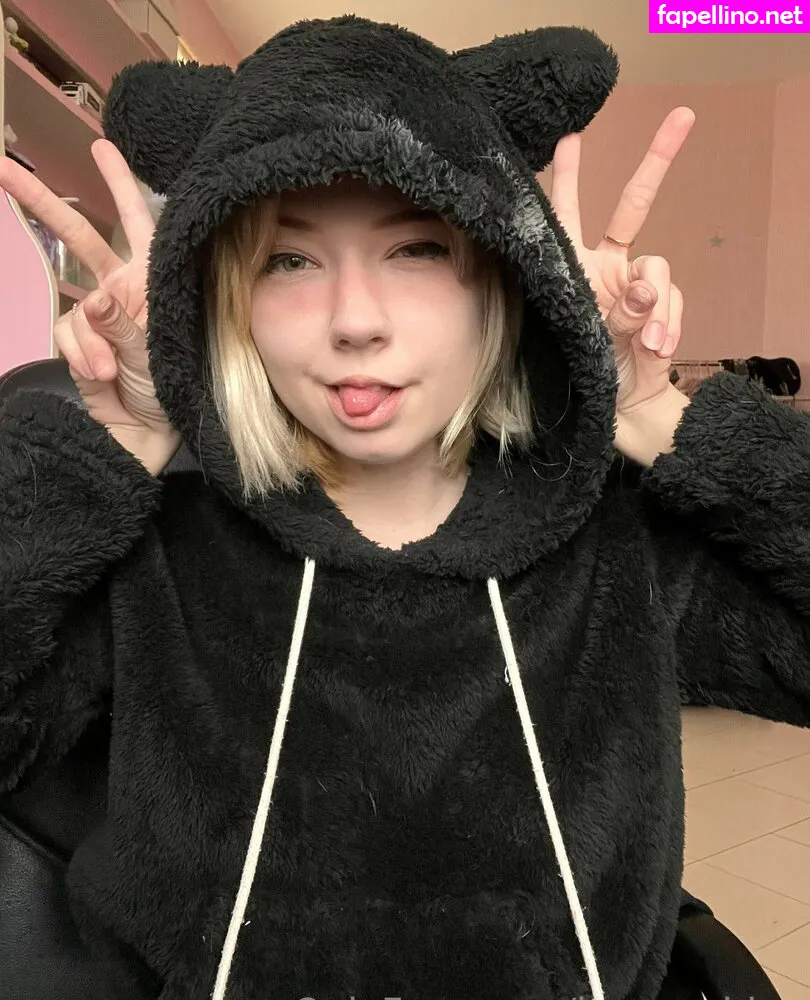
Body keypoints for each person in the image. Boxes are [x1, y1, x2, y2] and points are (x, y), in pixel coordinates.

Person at [0, 15, 807, 1000]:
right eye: (289, 261)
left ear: (502, 277)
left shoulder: (613, 541)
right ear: (229, 299)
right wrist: (110, 451)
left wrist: (659, 415)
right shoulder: (164, 551)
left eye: (417, 249)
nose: (355, 320)